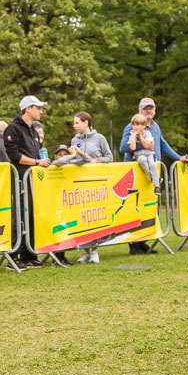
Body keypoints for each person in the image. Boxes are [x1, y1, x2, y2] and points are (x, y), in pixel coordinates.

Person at [119, 98, 188, 254]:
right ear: (139, 110)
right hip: (136, 171)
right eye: (145, 108)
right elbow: (123, 147)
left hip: (152, 172)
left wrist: (178, 157)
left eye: (151, 108)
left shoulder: (155, 127)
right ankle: (134, 245)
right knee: (136, 207)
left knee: (150, 206)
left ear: (155, 110)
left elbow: (163, 145)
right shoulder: (131, 126)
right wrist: (144, 144)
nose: (148, 111)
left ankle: (144, 241)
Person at [4, 95, 51, 270]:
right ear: (28, 109)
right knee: (19, 217)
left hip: (33, 180)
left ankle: (29, 254)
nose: (41, 111)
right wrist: (37, 163)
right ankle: (13, 256)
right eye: (38, 108)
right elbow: (14, 155)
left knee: (31, 216)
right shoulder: (13, 129)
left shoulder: (33, 130)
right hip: (20, 178)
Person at [67, 111, 114, 264]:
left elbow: (109, 157)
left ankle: (95, 251)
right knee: (81, 218)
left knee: (94, 218)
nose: (74, 126)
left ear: (86, 122)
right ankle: (85, 251)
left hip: (96, 185)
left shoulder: (99, 138)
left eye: (76, 123)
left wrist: (96, 161)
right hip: (79, 185)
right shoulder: (75, 140)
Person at [127, 114, 162, 196]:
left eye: (138, 124)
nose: (135, 127)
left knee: (152, 164)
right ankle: (154, 179)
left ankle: (157, 186)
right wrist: (133, 137)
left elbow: (147, 146)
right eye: (134, 124)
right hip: (139, 155)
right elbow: (132, 148)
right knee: (141, 160)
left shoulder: (147, 133)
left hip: (149, 154)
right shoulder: (132, 135)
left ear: (144, 125)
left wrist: (140, 136)